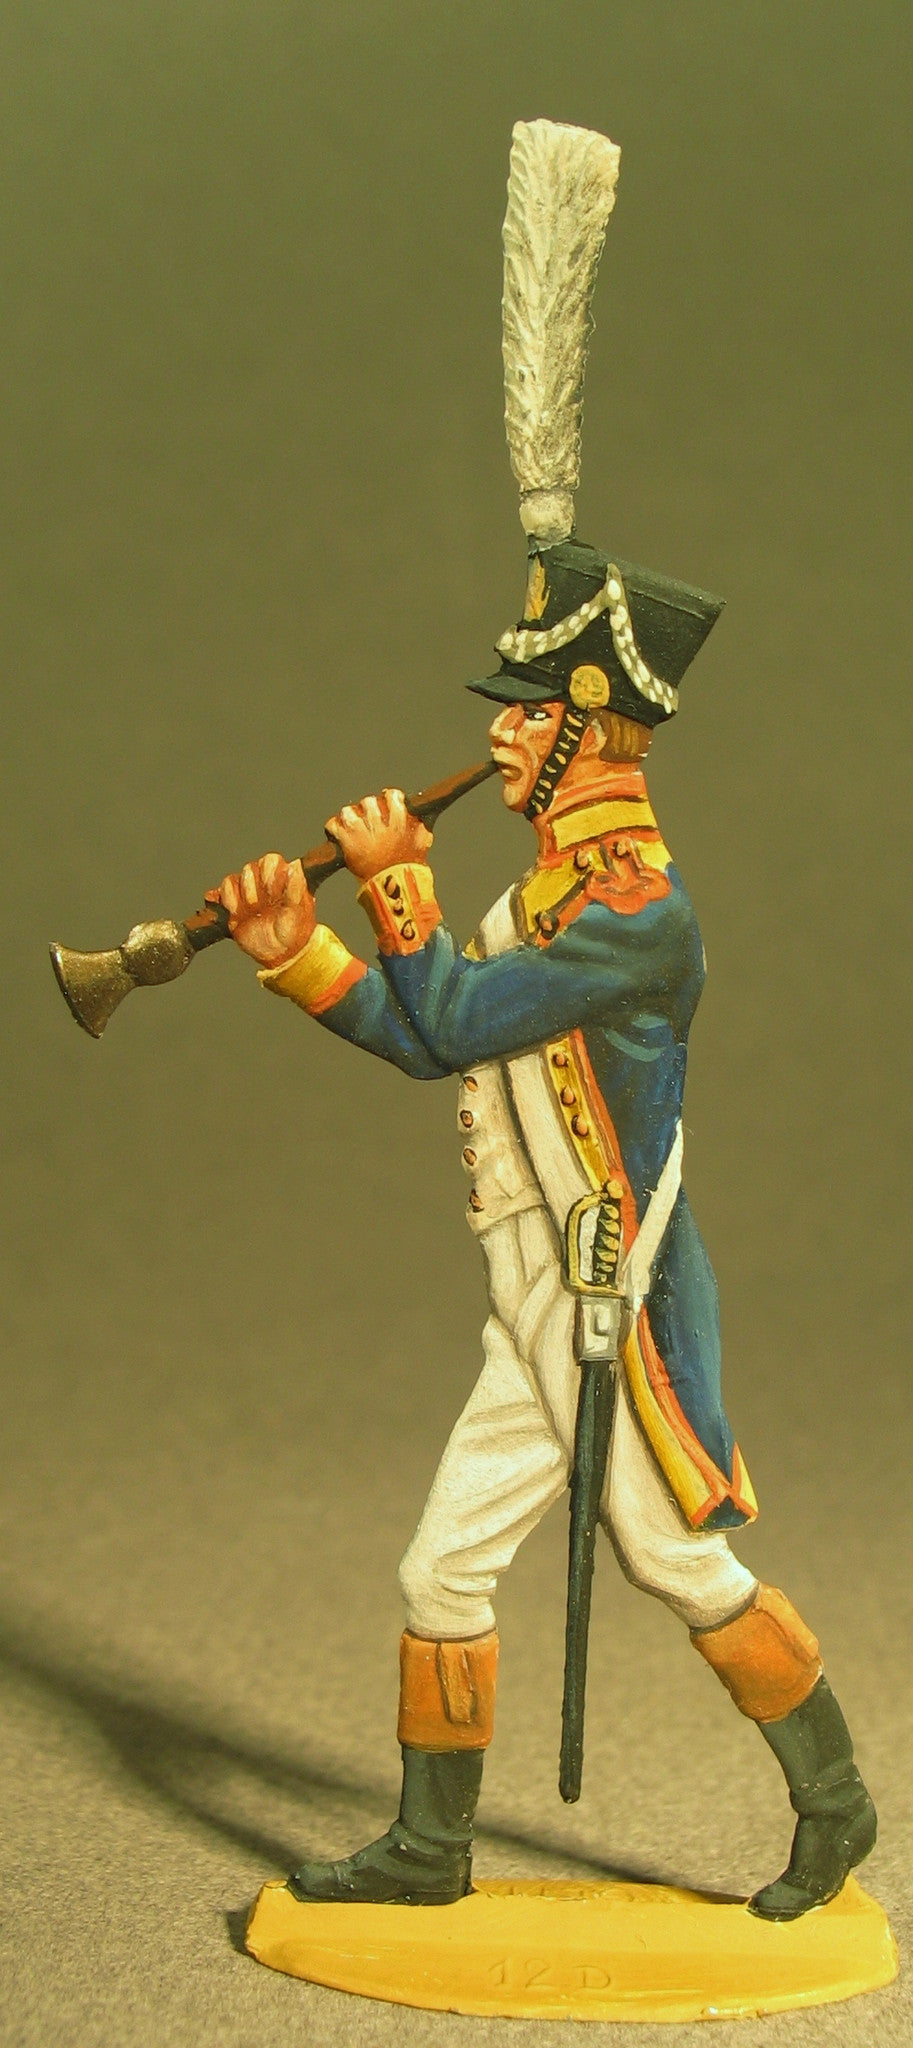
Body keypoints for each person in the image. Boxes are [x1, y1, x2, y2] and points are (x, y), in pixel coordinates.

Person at [214, 536, 876, 1923]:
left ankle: (835, 1804)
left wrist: (394, 882)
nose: (501, 736)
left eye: (524, 713)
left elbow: (454, 1012)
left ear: (586, 728)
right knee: (443, 1567)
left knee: (677, 1562)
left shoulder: (638, 915)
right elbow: (429, 1038)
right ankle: (429, 1847)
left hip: (603, 1302)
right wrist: (296, 955)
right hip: (530, 1294)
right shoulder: (540, 901)